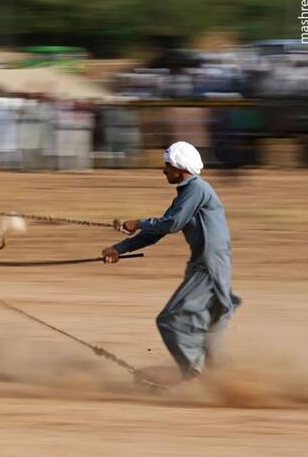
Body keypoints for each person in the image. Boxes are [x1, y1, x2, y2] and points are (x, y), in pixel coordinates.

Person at [102, 141, 241, 385]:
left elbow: (171, 224)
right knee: (208, 331)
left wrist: (138, 221)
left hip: (208, 267)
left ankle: (192, 377)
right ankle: (223, 383)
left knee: (169, 320)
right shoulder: (189, 193)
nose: (164, 171)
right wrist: (119, 249)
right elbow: (158, 232)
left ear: (179, 167)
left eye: (167, 166)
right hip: (210, 265)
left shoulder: (196, 189)